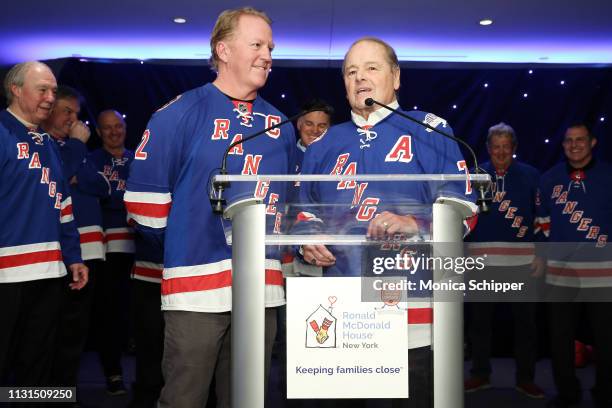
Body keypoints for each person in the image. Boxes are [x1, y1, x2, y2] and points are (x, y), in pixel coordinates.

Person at [124, 7, 296, 408]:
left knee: (248, 399)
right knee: (185, 398)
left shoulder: (281, 125)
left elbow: (287, 206)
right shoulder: (179, 113)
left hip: (262, 290)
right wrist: (192, 239)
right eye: (256, 44)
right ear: (223, 49)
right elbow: (145, 205)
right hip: (196, 291)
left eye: (270, 46)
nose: (267, 54)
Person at [296, 37, 476, 408]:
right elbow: (301, 208)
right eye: (351, 71)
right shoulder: (323, 144)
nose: (360, 77)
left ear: (395, 76)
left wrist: (415, 221)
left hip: (412, 306)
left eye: (371, 68)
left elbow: (464, 209)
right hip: (340, 310)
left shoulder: (430, 131)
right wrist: (307, 238)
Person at [0, 61, 87, 387]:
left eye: (53, 90)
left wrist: (73, 256)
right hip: (6, 275)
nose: (51, 97)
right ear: (16, 89)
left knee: (36, 366)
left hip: (49, 273)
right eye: (43, 90)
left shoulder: (48, 144)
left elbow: (63, 205)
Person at [464, 122, 544, 398]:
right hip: (481, 263)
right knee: (479, 325)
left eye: (505, 147)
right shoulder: (474, 175)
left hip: (521, 264)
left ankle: (525, 378)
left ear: (514, 148)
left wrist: (542, 253)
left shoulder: (531, 175)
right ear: (488, 148)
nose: (500, 152)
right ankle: (480, 375)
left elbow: (542, 218)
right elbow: (461, 218)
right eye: (495, 146)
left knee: (525, 327)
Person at [535, 123, 612, 408]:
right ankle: (567, 393)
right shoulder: (548, 179)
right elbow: (541, 222)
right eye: (569, 141)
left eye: (580, 140)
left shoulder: (609, 176)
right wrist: (542, 255)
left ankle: (606, 393)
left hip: (605, 273)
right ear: (563, 144)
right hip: (560, 273)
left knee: (607, 339)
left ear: (592, 142)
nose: (574, 145)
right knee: (560, 338)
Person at [42, 85, 110, 390]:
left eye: (77, 113)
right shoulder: (46, 144)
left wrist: (75, 175)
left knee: (75, 330)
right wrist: (75, 150)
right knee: (47, 330)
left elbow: (103, 187)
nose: (74, 118)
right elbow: (58, 179)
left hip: (89, 251)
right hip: (55, 252)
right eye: (67, 111)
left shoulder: (76, 149)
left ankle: (64, 393)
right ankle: (42, 394)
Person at [89, 109, 135, 395]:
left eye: (118, 126)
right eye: (107, 128)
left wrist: (111, 196)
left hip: (141, 248)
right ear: (98, 132)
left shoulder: (139, 159)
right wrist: (116, 197)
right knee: (111, 314)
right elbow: (96, 195)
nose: (114, 132)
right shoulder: (91, 160)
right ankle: (113, 373)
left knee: (140, 314)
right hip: (108, 251)